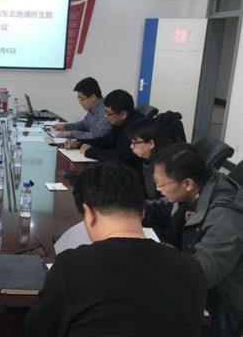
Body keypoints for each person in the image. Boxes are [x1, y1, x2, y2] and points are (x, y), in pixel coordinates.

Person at [25, 162, 207, 337]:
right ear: (143, 211)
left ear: (89, 214)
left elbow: (38, 330)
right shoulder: (191, 268)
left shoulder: (71, 267)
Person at [146, 143, 243, 336]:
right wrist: (132, 209)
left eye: (160, 183)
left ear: (187, 184)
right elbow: (166, 208)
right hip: (192, 275)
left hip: (220, 304)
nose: (157, 189)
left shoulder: (225, 217)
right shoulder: (199, 187)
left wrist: (158, 260)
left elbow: (200, 275)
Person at [66, 89, 144, 172]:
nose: (105, 117)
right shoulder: (120, 122)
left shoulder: (137, 129)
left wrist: (90, 151)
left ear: (123, 114)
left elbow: (121, 157)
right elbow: (106, 141)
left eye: (109, 113)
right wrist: (80, 143)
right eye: (105, 112)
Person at [126, 117, 171, 199]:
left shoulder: (167, 167)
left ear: (151, 143)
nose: (131, 146)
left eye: (134, 143)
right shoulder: (141, 161)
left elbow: (166, 201)